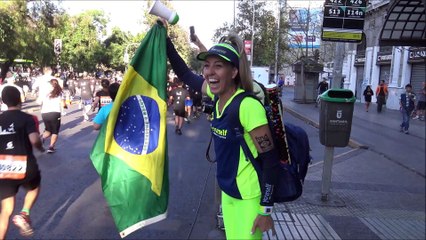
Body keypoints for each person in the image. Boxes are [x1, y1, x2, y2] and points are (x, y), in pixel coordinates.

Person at [163, 20, 278, 239]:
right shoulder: (217, 97)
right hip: (228, 191)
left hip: (249, 196)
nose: (209, 72)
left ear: (234, 71)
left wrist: (266, 210)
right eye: (207, 65)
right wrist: (166, 40)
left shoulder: (247, 106)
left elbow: (271, 160)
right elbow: (186, 74)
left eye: (218, 66)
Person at [0, 86, 45, 239]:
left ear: (3, 101)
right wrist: (41, 147)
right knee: (34, 187)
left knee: (5, 211)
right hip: (26, 166)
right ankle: (24, 213)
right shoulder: (27, 118)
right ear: (20, 99)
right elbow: (34, 140)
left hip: (4, 168)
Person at [40, 79, 66, 153]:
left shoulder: (45, 93)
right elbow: (63, 104)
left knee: (48, 130)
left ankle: (41, 139)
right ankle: (51, 147)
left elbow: (40, 102)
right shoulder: (60, 93)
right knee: (55, 131)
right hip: (55, 113)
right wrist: (64, 107)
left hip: (44, 113)